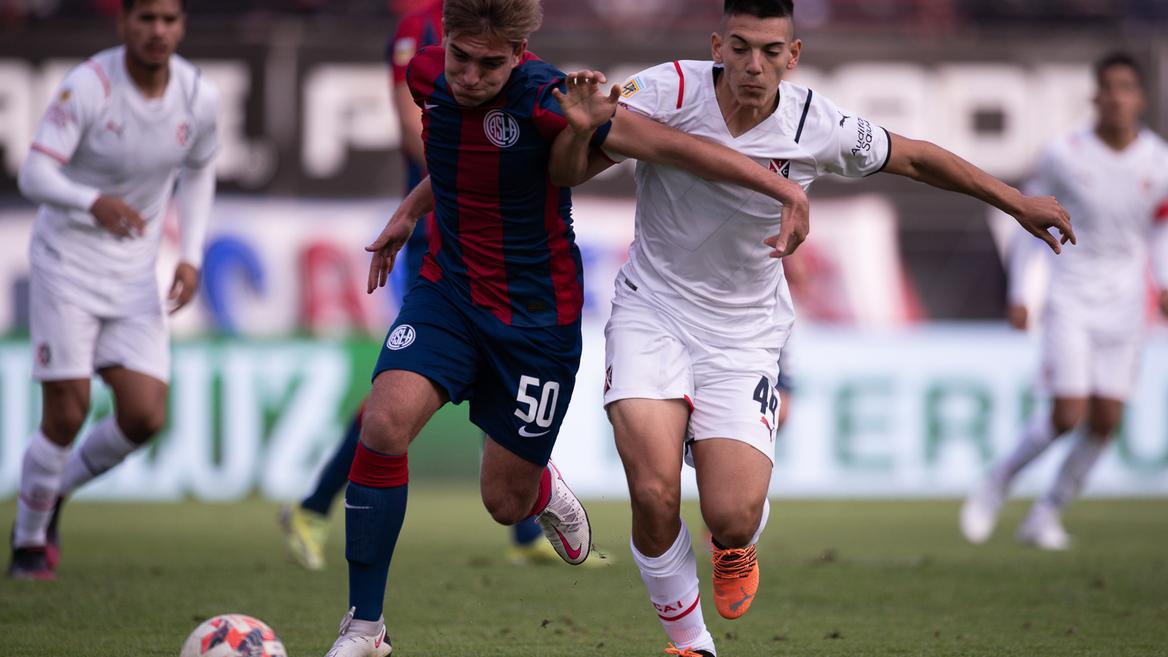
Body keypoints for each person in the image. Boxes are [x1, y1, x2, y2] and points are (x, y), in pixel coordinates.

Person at [549, 1, 1075, 654]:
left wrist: (1015, 200)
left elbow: (914, 158)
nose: (753, 64)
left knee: (732, 515)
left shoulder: (815, 124)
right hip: (651, 310)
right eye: (740, 47)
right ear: (717, 45)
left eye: (771, 51)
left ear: (792, 57)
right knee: (653, 491)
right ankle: (691, 643)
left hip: (744, 335)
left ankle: (733, 544)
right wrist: (576, 132)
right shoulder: (667, 90)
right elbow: (568, 170)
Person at [320, 0, 823, 652]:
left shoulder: (549, 96)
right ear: (443, 40)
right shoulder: (426, 74)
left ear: (520, 52)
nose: (469, 75)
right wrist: (413, 210)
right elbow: (456, 152)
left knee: (505, 499)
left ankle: (543, 486)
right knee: (384, 421)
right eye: (460, 57)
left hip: (535, 317)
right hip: (448, 293)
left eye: (489, 63)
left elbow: (672, 146)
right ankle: (364, 627)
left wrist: (779, 186)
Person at [279, 0, 558, 573]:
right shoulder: (420, 28)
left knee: (492, 365)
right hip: (439, 234)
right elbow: (414, 133)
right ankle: (314, 506)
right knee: (404, 383)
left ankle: (525, 528)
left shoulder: (506, 37)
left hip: (495, 237)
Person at [7, 0, 217, 580]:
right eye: (146, 18)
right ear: (123, 22)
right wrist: (89, 201)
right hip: (66, 261)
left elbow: (199, 170)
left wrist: (193, 255)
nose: (158, 31)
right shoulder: (90, 85)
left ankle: (53, 496)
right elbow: (33, 173)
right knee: (68, 408)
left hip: (133, 271)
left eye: (170, 19)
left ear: (182, 25)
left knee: (145, 416)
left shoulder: (199, 95)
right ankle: (27, 545)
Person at [961, 52, 1168, 551]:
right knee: (1067, 413)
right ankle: (998, 481)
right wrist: (1021, 293)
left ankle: (1046, 512)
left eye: (1127, 87)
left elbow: (1160, 227)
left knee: (1106, 420)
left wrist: (1162, 283)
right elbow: (1031, 225)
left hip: (1124, 305)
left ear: (1140, 98)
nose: (1117, 96)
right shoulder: (1062, 154)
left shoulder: (1158, 160)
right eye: (1109, 86)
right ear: (1095, 96)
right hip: (1071, 295)